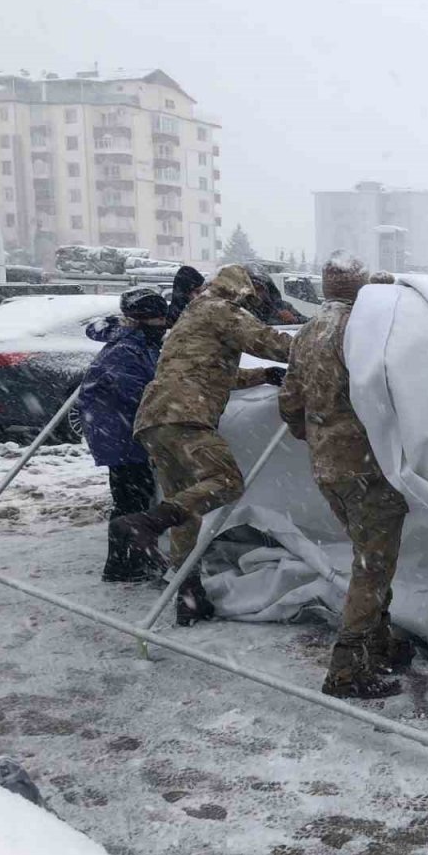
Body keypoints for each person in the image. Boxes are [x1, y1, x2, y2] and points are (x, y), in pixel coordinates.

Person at [111, 265, 294, 626]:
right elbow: (273, 343)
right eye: (253, 297)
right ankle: (146, 522)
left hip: (154, 420)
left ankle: (189, 595)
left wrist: (263, 376)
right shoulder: (222, 311)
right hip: (186, 416)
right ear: (243, 292)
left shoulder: (191, 316)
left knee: (187, 510)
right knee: (226, 482)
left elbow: (207, 371)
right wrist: (321, 343)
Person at [278, 251, 412, 700]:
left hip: (328, 467)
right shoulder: (362, 330)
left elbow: (289, 405)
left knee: (368, 557)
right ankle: (347, 668)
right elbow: (391, 393)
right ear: (361, 286)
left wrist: (321, 438)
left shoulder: (307, 331)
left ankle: (379, 642)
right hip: (368, 467)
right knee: (373, 566)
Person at [78, 288, 170, 583]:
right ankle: (123, 565)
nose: (163, 324)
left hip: (121, 433)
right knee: (131, 499)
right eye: (158, 318)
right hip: (121, 436)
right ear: (144, 319)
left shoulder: (136, 342)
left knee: (132, 497)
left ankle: (130, 560)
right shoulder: (126, 351)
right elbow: (138, 395)